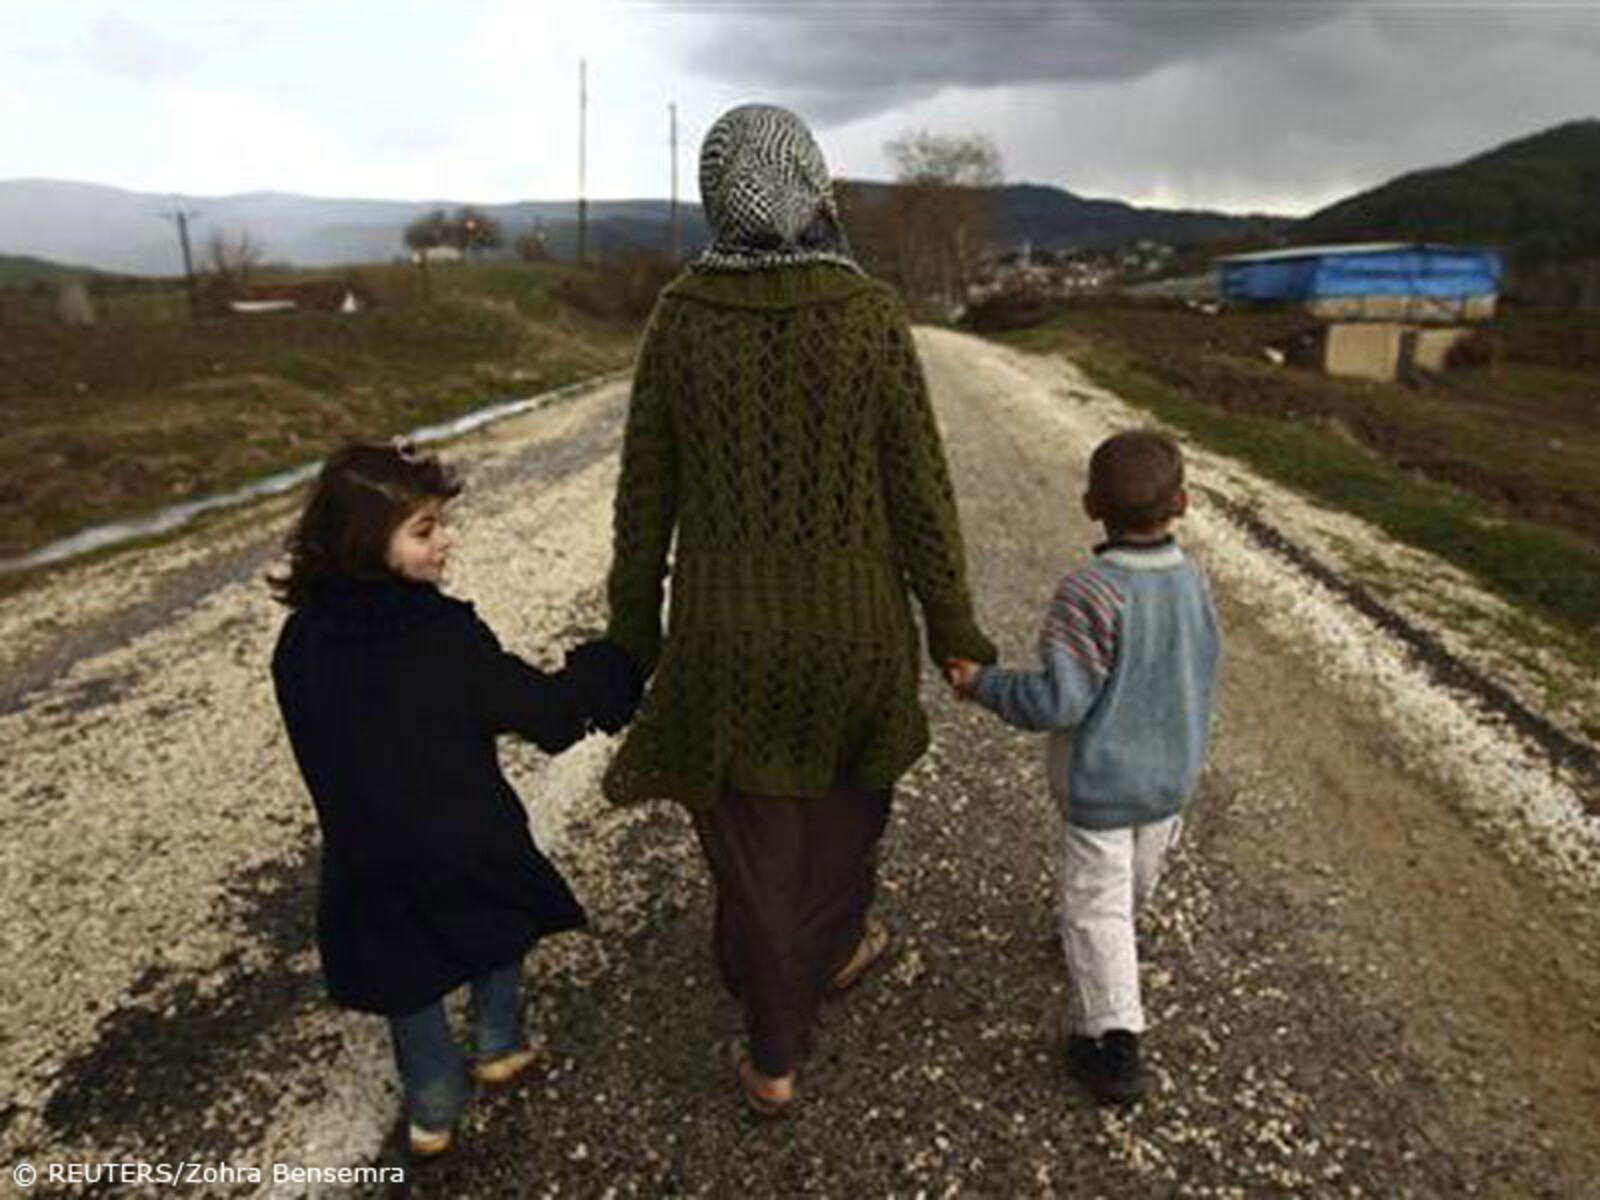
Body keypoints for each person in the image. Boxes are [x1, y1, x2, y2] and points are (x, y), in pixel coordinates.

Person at [597, 103, 997, 1115]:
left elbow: (646, 497)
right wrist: (952, 630)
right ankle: (791, 1006)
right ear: (813, 185)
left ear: (713, 196)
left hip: (722, 636)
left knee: (749, 837)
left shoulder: (682, 316)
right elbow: (920, 493)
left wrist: (632, 637)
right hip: (856, 630)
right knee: (840, 821)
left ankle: (771, 1005)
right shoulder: (867, 314)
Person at [269, 441, 637, 1156]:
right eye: (425, 529)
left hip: (364, 850)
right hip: (465, 835)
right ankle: (499, 1045)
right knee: (496, 928)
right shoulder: (440, 635)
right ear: (364, 542)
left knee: (405, 974)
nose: (447, 540)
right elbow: (546, 715)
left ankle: (432, 1111)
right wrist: (606, 667)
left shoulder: (299, 641)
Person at [946, 429, 1221, 1107]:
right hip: (1169, 782)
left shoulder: (1090, 592)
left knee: (1096, 905)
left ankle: (1111, 1040)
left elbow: (1059, 700)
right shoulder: (1194, 583)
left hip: (1104, 786)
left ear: (1090, 503)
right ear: (1182, 502)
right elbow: (1205, 668)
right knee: (1127, 890)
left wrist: (983, 684)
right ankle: (1103, 956)